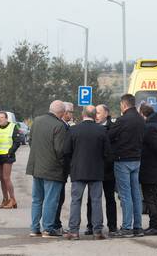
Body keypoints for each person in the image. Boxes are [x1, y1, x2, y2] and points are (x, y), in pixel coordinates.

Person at [63, 105, 110, 240]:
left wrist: (73, 163)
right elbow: (108, 153)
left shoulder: (74, 130)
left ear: (83, 114)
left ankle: (74, 231)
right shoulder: (101, 131)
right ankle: (97, 232)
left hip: (78, 170)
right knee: (96, 201)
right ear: (95, 115)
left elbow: (66, 151)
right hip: (96, 171)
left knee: (76, 201)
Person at [26, 100, 67, 238]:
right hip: (52, 169)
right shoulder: (59, 126)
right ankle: (48, 229)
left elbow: (30, 141)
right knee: (50, 200)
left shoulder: (36, 121)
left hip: (36, 167)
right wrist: (64, 166)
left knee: (37, 199)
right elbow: (60, 150)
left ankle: (34, 228)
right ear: (61, 113)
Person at [109, 94, 145, 238]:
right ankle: (138, 227)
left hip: (122, 160)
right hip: (137, 160)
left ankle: (127, 227)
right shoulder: (141, 120)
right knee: (136, 194)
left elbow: (110, 136)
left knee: (125, 195)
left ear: (124, 105)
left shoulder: (122, 120)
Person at [86, 104, 118, 235]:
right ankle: (91, 225)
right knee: (91, 199)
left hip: (108, 170)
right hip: (93, 170)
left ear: (106, 113)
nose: (96, 115)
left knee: (110, 198)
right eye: (95, 113)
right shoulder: (91, 127)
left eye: (98, 113)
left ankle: (112, 227)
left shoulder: (113, 127)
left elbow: (113, 149)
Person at [139, 104, 157, 236]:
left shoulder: (150, 128)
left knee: (150, 197)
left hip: (151, 168)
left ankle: (156, 226)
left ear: (142, 114)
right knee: (154, 196)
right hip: (156, 168)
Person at [0, 111, 21, 209]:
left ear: (6, 118)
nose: (0, 119)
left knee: (6, 178)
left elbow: (17, 142)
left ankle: (13, 199)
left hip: (7, 156)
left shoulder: (13, 127)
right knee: (1, 179)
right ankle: (5, 199)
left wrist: (10, 152)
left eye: (2, 117)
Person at [53, 102, 74, 235]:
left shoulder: (66, 126)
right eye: (71, 112)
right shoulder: (61, 127)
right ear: (65, 113)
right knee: (57, 197)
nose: (72, 114)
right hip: (59, 168)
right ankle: (55, 224)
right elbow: (63, 150)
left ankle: (56, 223)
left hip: (62, 168)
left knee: (59, 197)